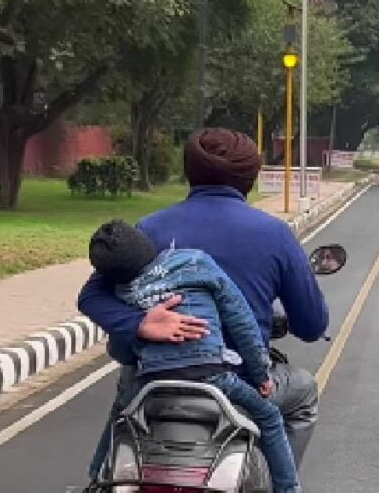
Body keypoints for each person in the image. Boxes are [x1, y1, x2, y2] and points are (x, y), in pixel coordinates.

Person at [78, 128, 328, 481]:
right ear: (251, 178)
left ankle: (96, 480)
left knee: (124, 396)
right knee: (303, 391)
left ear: (188, 172)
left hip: (151, 381)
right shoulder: (274, 234)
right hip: (235, 381)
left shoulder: (149, 228)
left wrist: (138, 324)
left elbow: (91, 296)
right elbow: (311, 325)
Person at [87, 220, 301, 493]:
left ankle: (95, 478)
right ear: (147, 245)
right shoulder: (195, 262)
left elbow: (122, 352)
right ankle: (288, 489)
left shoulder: (123, 293)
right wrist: (260, 374)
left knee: (120, 416)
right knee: (270, 417)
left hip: (151, 385)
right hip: (213, 378)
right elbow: (241, 321)